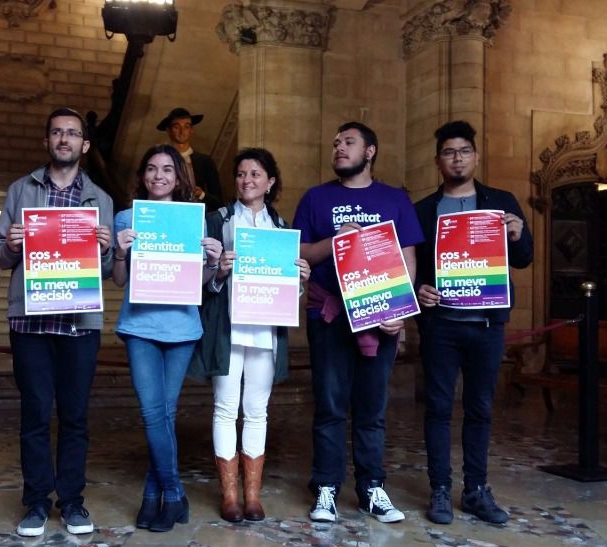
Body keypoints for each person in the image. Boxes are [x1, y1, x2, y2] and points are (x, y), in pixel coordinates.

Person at [294, 121, 423, 523]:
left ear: (370, 151)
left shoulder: (396, 199)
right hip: (329, 315)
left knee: (372, 408)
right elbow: (299, 252)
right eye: (335, 142)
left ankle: (371, 488)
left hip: (379, 316)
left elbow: (408, 258)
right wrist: (335, 241)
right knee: (330, 405)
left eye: (348, 142)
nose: (338, 147)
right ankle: (327, 487)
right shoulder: (316, 198)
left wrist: (400, 311)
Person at [0, 108, 114, 537]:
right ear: (47, 141)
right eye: (57, 132)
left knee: (76, 416)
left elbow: (105, 270)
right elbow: (1, 260)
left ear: (84, 145)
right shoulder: (19, 190)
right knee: (35, 414)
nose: (64, 139)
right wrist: (8, 244)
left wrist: (103, 249)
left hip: (79, 323)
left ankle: (73, 501)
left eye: (73, 134)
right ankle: (37, 502)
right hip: (30, 323)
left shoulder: (101, 199)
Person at [414, 120, 533, 525]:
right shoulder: (424, 210)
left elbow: (523, 259)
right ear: (438, 161)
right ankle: (441, 490)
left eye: (464, 151)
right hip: (441, 325)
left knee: (481, 407)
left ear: (476, 157)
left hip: (486, 323)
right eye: (449, 152)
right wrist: (419, 290)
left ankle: (477, 489)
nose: (457, 158)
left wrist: (518, 233)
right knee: (438, 407)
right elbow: (411, 269)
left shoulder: (501, 202)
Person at [188, 148, 310, 523]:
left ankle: (253, 495)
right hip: (229, 326)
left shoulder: (282, 226)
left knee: (257, 410)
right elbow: (195, 279)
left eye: (255, 174)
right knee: (226, 407)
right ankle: (229, 496)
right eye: (241, 174)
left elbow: (287, 289)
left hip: (265, 330)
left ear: (270, 182)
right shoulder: (217, 220)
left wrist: (301, 280)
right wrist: (219, 270)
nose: (247, 180)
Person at [112, 144, 223, 532]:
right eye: (152, 169)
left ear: (179, 178)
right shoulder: (126, 217)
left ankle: (151, 495)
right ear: (143, 175)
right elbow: (120, 280)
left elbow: (202, 283)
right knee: (152, 412)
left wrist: (212, 262)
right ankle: (174, 493)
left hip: (181, 328)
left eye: (167, 170)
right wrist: (121, 254)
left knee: (163, 414)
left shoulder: (197, 221)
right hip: (140, 326)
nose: (159, 176)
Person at [157, 107, 223, 212]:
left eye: (186, 127)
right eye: (176, 127)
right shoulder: (159, 160)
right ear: (168, 130)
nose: (182, 131)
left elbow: (218, 202)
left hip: (196, 218)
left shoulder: (205, 161)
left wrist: (202, 194)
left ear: (191, 130)